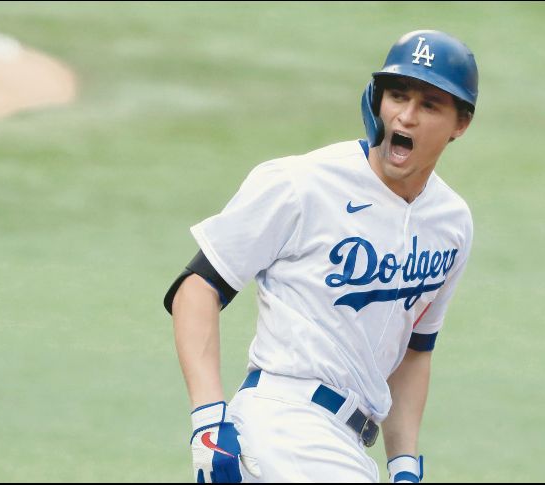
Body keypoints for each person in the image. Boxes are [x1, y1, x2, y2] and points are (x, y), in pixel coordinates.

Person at [164, 29, 479, 483]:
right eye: (397, 96)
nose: (406, 117)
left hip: (347, 446)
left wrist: (405, 463)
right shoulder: (302, 184)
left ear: (460, 123)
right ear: (377, 100)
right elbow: (197, 287)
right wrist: (208, 422)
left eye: (429, 105)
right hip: (283, 426)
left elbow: (415, 351)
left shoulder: (452, 224)